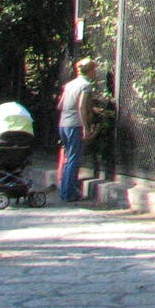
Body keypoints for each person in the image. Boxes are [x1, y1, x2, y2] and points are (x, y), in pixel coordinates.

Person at [57, 58, 98, 203]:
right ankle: (70, 194)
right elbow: (81, 107)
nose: (95, 73)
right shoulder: (86, 85)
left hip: (63, 124)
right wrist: (86, 127)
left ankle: (64, 191)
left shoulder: (69, 85)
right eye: (94, 70)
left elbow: (60, 105)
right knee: (75, 159)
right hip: (75, 125)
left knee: (69, 158)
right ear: (90, 70)